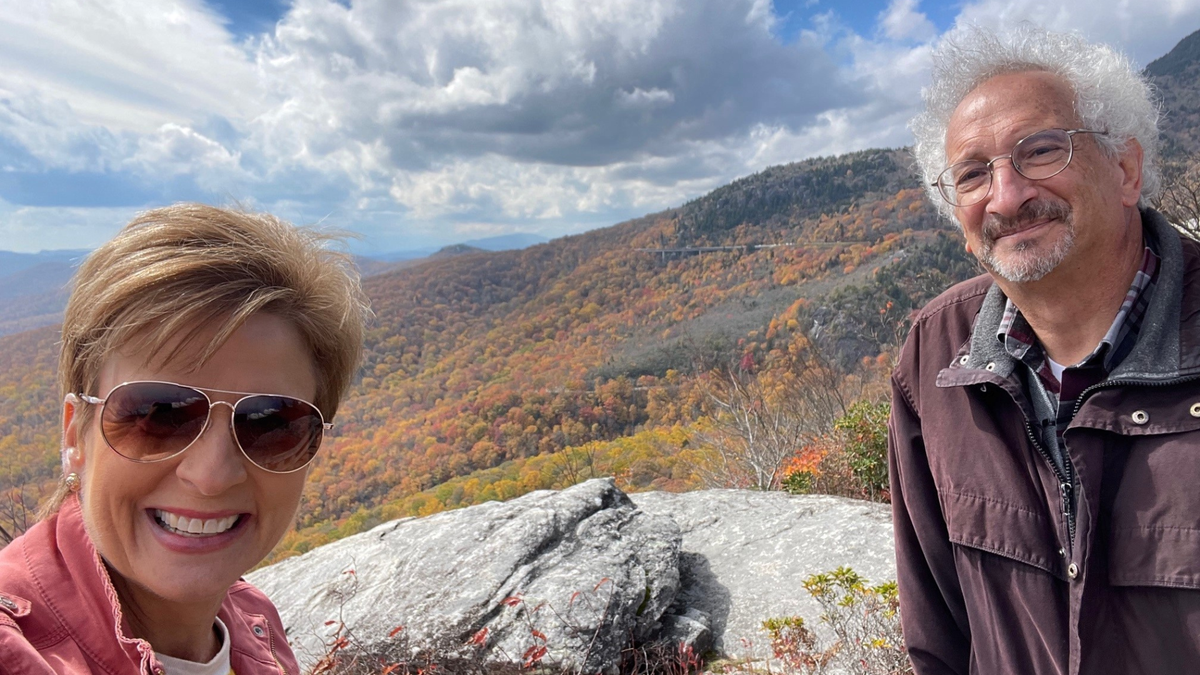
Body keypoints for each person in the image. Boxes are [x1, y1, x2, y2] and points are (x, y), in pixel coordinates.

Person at [890, 25, 1200, 674]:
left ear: (1124, 168)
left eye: (1039, 151)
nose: (1006, 195)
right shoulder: (935, 358)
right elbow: (937, 635)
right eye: (973, 173)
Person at [0, 204, 369, 673]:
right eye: (158, 415)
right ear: (76, 433)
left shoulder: (255, 625)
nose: (211, 475)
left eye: (271, 424)